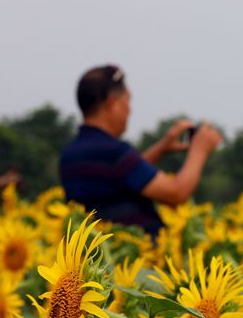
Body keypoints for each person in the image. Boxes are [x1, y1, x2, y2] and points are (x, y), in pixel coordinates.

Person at [60, 65, 222, 236]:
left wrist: (160, 149)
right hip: (132, 256)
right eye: (127, 101)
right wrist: (200, 150)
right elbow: (176, 193)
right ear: (112, 104)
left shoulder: (71, 154)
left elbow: (118, 178)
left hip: (100, 252)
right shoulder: (113, 152)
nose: (129, 110)